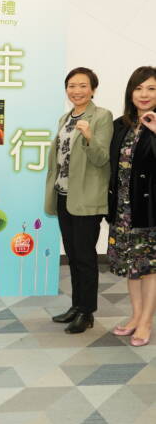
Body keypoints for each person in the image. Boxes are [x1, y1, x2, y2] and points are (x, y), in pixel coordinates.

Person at [45, 67, 112, 334]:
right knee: (73, 255)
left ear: (93, 89)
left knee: (85, 257)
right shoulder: (65, 118)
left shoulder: (102, 116)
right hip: (64, 195)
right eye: (72, 86)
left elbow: (102, 158)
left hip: (86, 198)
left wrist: (88, 136)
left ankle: (87, 312)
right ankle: (76, 305)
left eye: (83, 85)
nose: (77, 91)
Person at [108, 66, 156, 347]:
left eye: (151, 88)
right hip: (122, 209)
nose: (144, 94)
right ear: (130, 93)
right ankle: (136, 315)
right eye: (138, 88)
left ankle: (146, 321)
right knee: (131, 267)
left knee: (149, 268)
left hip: (149, 210)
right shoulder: (121, 124)